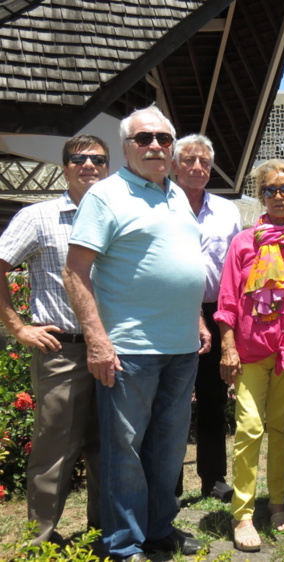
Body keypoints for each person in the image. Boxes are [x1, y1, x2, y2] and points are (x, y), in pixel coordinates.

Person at [63, 105, 210, 562]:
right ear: (126, 147)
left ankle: (158, 529)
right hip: (129, 349)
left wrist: (198, 319)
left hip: (181, 347)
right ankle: (124, 544)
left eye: (164, 139)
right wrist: (97, 340)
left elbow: (181, 263)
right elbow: (75, 272)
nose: (155, 147)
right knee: (124, 451)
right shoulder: (106, 196)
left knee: (168, 449)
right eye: (144, 139)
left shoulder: (176, 195)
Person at [0, 134, 109, 546]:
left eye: (97, 159)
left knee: (107, 447)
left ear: (107, 167)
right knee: (54, 452)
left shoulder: (118, 216)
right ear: (64, 167)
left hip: (114, 350)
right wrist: (18, 326)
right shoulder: (39, 216)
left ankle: (103, 533)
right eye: (78, 159)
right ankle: (39, 541)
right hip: (61, 350)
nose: (88, 165)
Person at [215, 159, 284, 552]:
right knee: (248, 429)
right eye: (270, 190)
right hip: (249, 353)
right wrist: (227, 348)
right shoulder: (244, 243)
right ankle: (242, 514)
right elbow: (226, 302)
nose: (278, 196)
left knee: (281, 429)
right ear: (261, 196)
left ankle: (277, 502)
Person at [172, 133, 242, 503]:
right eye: (189, 160)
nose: (197, 167)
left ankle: (213, 476)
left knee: (214, 398)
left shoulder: (228, 211)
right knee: (172, 400)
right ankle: (170, 481)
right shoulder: (161, 205)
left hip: (217, 312)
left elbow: (236, 266)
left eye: (204, 161)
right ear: (174, 165)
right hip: (170, 310)